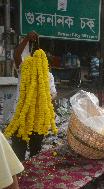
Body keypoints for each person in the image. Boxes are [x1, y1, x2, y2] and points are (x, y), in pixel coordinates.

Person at [12, 31, 57, 161]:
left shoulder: (48, 76)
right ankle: (18, 178)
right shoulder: (24, 69)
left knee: (35, 154)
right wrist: (26, 39)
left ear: (45, 64)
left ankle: (32, 178)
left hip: (38, 121)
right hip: (20, 117)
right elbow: (16, 55)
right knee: (17, 155)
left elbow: (52, 96)